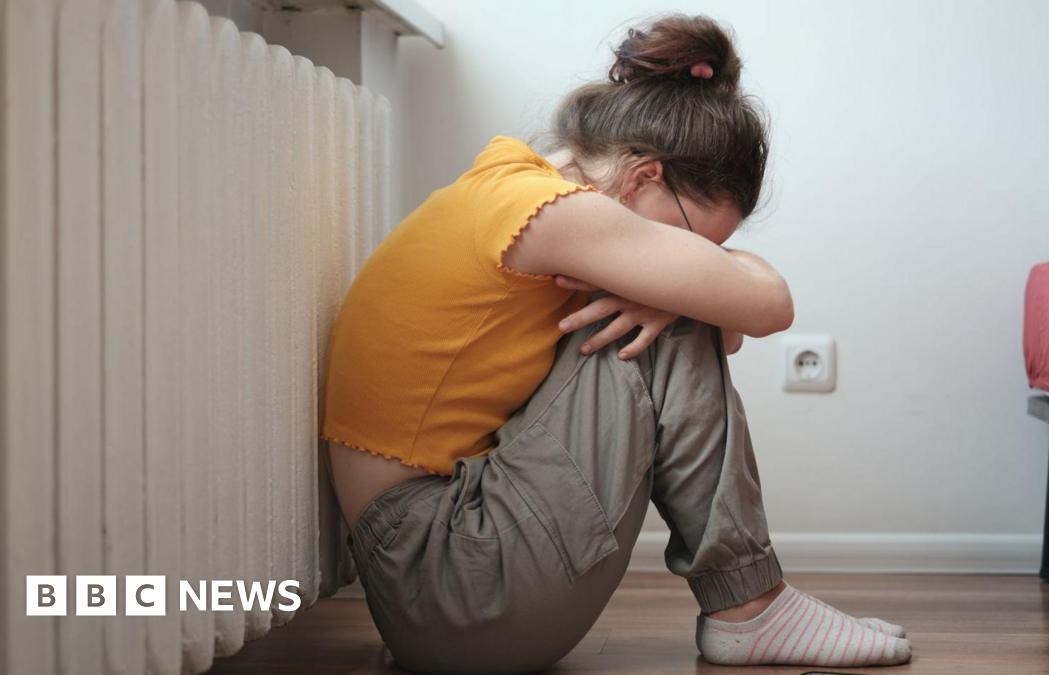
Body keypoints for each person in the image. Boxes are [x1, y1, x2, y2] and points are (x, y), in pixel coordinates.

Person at [319, 13, 913, 674]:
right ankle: (749, 604)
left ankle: (750, 602)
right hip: (452, 575)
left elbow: (738, 316)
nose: (692, 258)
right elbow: (767, 304)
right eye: (693, 240)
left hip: (429, 576)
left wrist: (682, 285)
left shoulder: (516, 187)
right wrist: (686, 288)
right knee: (680, 314)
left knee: (678, 305)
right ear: (643, 177)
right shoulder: (564, 215)